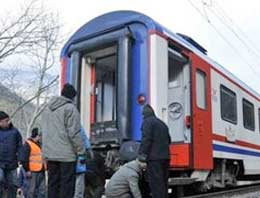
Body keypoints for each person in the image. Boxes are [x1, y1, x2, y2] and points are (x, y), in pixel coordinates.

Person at [41, 83, 85, 198]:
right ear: (72, 97)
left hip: (50, 154)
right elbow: (74, 133)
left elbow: (43, 131)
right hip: (66, 155)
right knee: (67, 185)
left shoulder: (47, 108)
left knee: (52, 184)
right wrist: (81, 151)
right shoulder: (70, 108)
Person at [138, 104, 171, 198]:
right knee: (164, 183)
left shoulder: (147, 122)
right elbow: (169, 140)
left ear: (144, 114)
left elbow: (146, 139)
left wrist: (142, 154)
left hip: (154, 159)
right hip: (166, 157)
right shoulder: (162, 124)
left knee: (156, 184)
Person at [0, 111, 23, 198]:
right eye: (6, 120)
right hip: (0, 162)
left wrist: (20, 157)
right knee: (0, 178)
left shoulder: (15, 132)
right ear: (0, 122)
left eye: (9, 120)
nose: (9, 122)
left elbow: (20, 146)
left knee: (13, 184)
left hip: (12, 162)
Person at [20, 128, 46, 198]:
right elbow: (24, 159)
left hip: (41, 170)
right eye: (40, 136)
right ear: (36, 136)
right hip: (32, 171)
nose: (41, 137)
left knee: (42, 191)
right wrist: (27, 170)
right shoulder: (28, 144)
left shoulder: (40, 144)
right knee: (31, 191)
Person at [74, 127, 91, 198]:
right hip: (79, 157)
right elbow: (84, 138)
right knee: (79, 180)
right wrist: (88, 149)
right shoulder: (78, 126)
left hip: (69, 158)